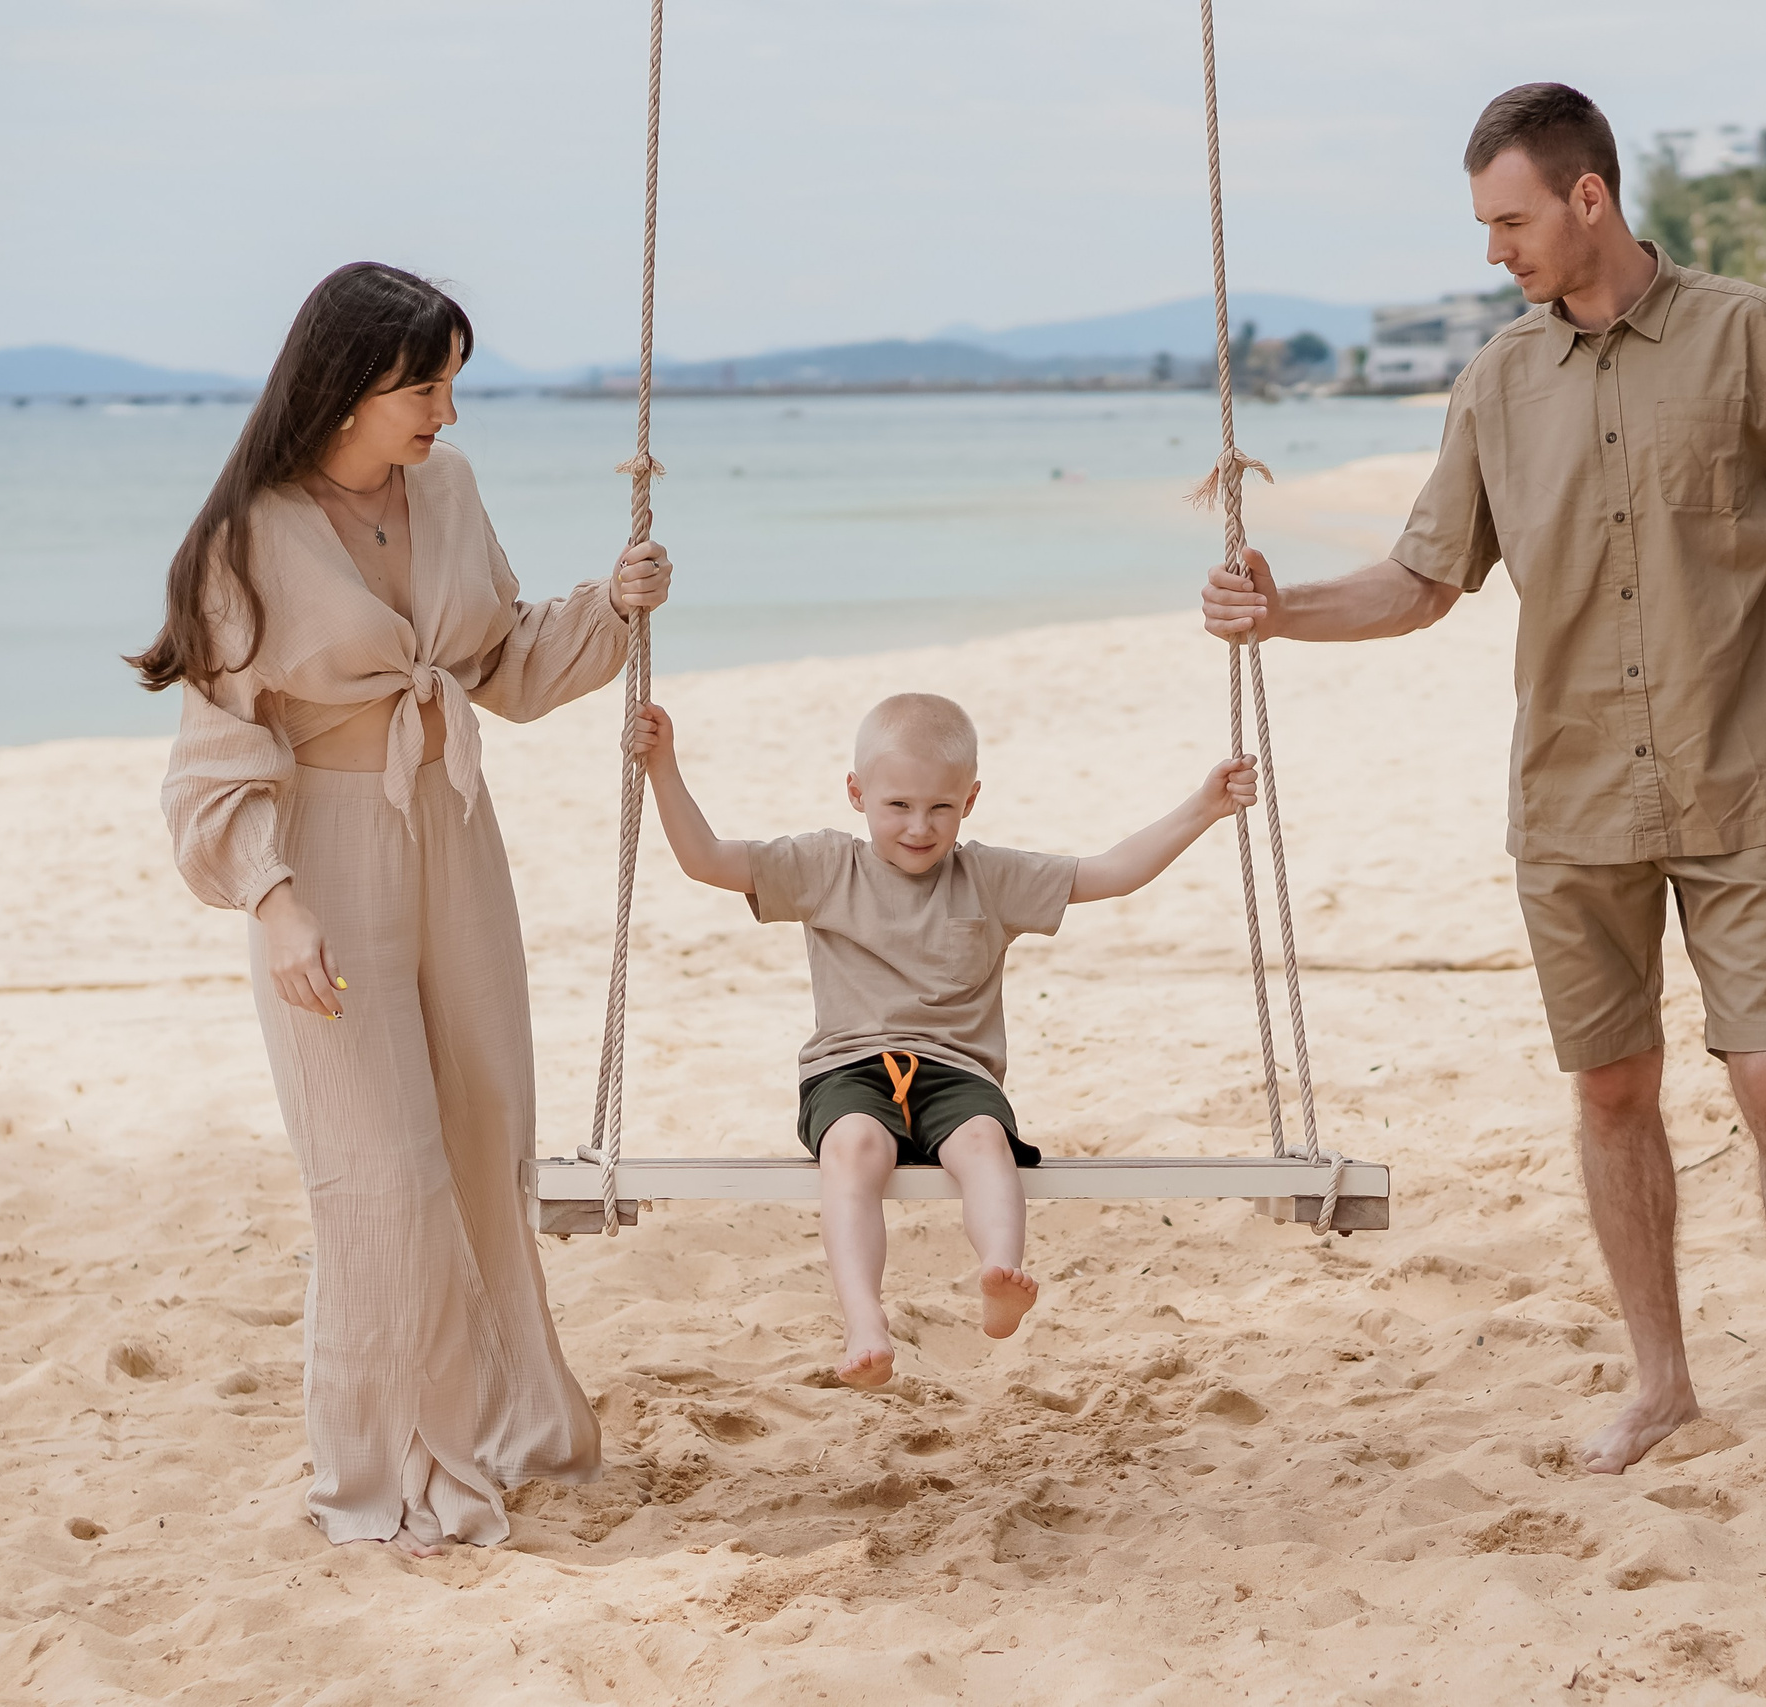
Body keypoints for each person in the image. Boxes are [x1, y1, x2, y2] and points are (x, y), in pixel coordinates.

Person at [1201, 84, 1766, 1483]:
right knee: (1611, 1094)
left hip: (1749, 781)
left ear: (1589, 199)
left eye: (1511, 219)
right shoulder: (1496, 385)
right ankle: (1665, 1383)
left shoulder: (1754, 334)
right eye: (1483, 224)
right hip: (1572, 800)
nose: (1493, 251)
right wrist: (1276, 610)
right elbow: (1419, 586)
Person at [130, 262, 673, 1554]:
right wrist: (275, 901)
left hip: (453, 828)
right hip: (322, 845)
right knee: (378, 1167)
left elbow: (499, 665)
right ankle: (380, 1466)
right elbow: (212, 758)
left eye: (451, 382)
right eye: (425, 384)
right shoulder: (242, 537)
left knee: (485, 1133)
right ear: (347, 386)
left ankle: (502, 1428)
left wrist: (614, 605)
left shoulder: (449, 489)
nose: (446, 410)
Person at [629, 692, 1255, 1387]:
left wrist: (1204, 807)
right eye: (897, 806)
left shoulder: (988, 876)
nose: (920, 827)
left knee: (984, 1141)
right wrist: (663, 766)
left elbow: (1110, 871)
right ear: (856, 793)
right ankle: (865, 1316)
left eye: (941, 808)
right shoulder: (824, 865)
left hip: (957, 1072)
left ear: (971, 800)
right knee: (854, 1148)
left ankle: (999, 1273)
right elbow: (705, 858)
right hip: (851, 1067)